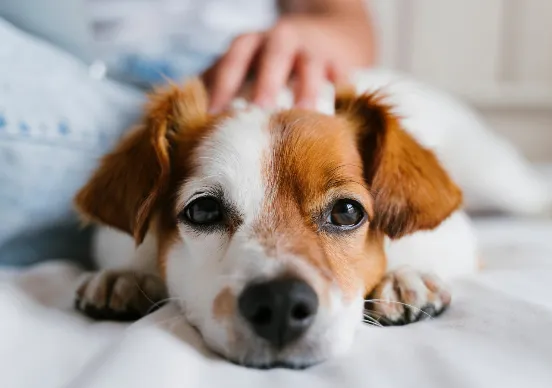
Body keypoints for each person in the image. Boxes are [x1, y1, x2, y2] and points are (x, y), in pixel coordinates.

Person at [0, 0, 375, 265]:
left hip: (230, 95)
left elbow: (348, 22)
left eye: (344, 215)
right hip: (64, 74)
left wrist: (304, 37)